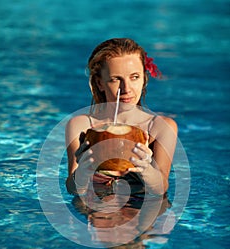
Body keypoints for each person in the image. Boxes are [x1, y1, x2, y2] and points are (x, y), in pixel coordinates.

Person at [65, 38, 177, 197]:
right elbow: (73, 189)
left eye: (134, 77)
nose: (126, 89)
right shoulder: (81, 125)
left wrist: (145, 168)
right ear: (100, 83)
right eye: (115, 79)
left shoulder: (160, 127)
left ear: (144, 79)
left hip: (143, 204)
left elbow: (160, 189)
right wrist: (83, 171)